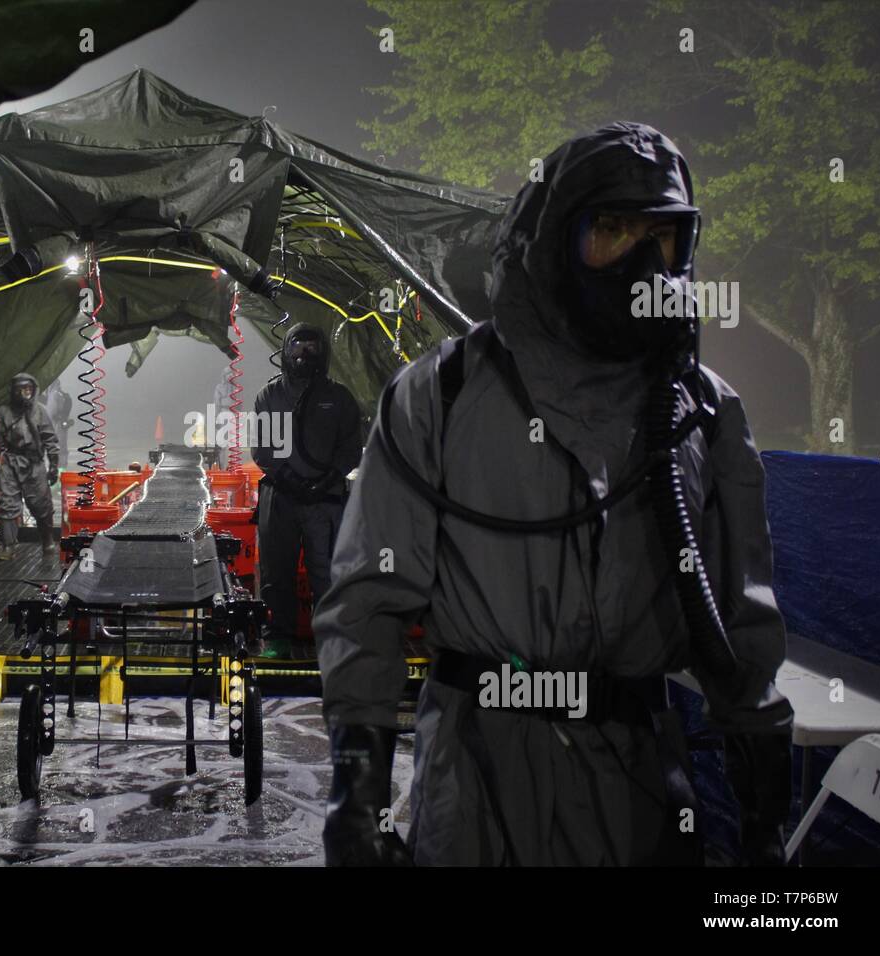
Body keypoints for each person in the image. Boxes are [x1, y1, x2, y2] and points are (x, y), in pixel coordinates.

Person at [313, 122, 794, 866]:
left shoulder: (703, 414)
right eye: (611, 228)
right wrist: (357, 801)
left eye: (660, 236)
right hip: (473, 787)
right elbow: (367, 606)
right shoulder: (439, 396)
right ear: (553, 240)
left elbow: (741, 625)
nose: (642, 260)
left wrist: (765, 826)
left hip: (639, 799)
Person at [251, 323, 362, 659]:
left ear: (323, 352)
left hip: (324, 501)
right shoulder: (269, 396)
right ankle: (279, 636)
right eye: (297, 346)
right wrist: (289, 481)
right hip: (281, 499)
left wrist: (325, 482)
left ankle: (328, 638)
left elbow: (350, 448)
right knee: (277, 570)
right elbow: (262, 449)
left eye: (312, 347)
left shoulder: (339, 398)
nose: (304, 354)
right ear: (285, 350)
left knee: (326, 571)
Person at [0, 372, 59, 559]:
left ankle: (47, 541)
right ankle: (8, 546)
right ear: (13, 391)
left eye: (28, 389)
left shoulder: (40, 411)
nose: (25, 393)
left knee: (41, 504)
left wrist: (53, 465)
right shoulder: (4, 412)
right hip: (11, 462)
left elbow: (50, 439)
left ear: (33, 390)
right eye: (21, 389)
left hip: (34, 464)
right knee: (7, 505)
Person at [44, 378, 74, 469]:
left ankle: (55, 472)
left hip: (56, 426)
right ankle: (61, 470)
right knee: (62, 449)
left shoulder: (54, 395)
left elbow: (51, 412)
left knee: (55, 449)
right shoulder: (63, 395)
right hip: (61, 425)